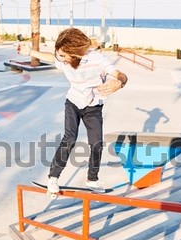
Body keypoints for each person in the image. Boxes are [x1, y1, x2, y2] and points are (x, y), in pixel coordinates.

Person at [19, 28, 128, 193]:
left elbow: (120, 74)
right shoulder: (63, 59)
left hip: (93, 107)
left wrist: (119, 83)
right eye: (59, 55)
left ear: (75, 54)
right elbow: (51, 57)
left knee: (97, 144)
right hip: (73, 103)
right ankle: (53, 178)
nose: (60, 59)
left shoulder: (97, 60)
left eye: (63, 56)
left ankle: (92, 180)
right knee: (69, 139)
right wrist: (31, 51)